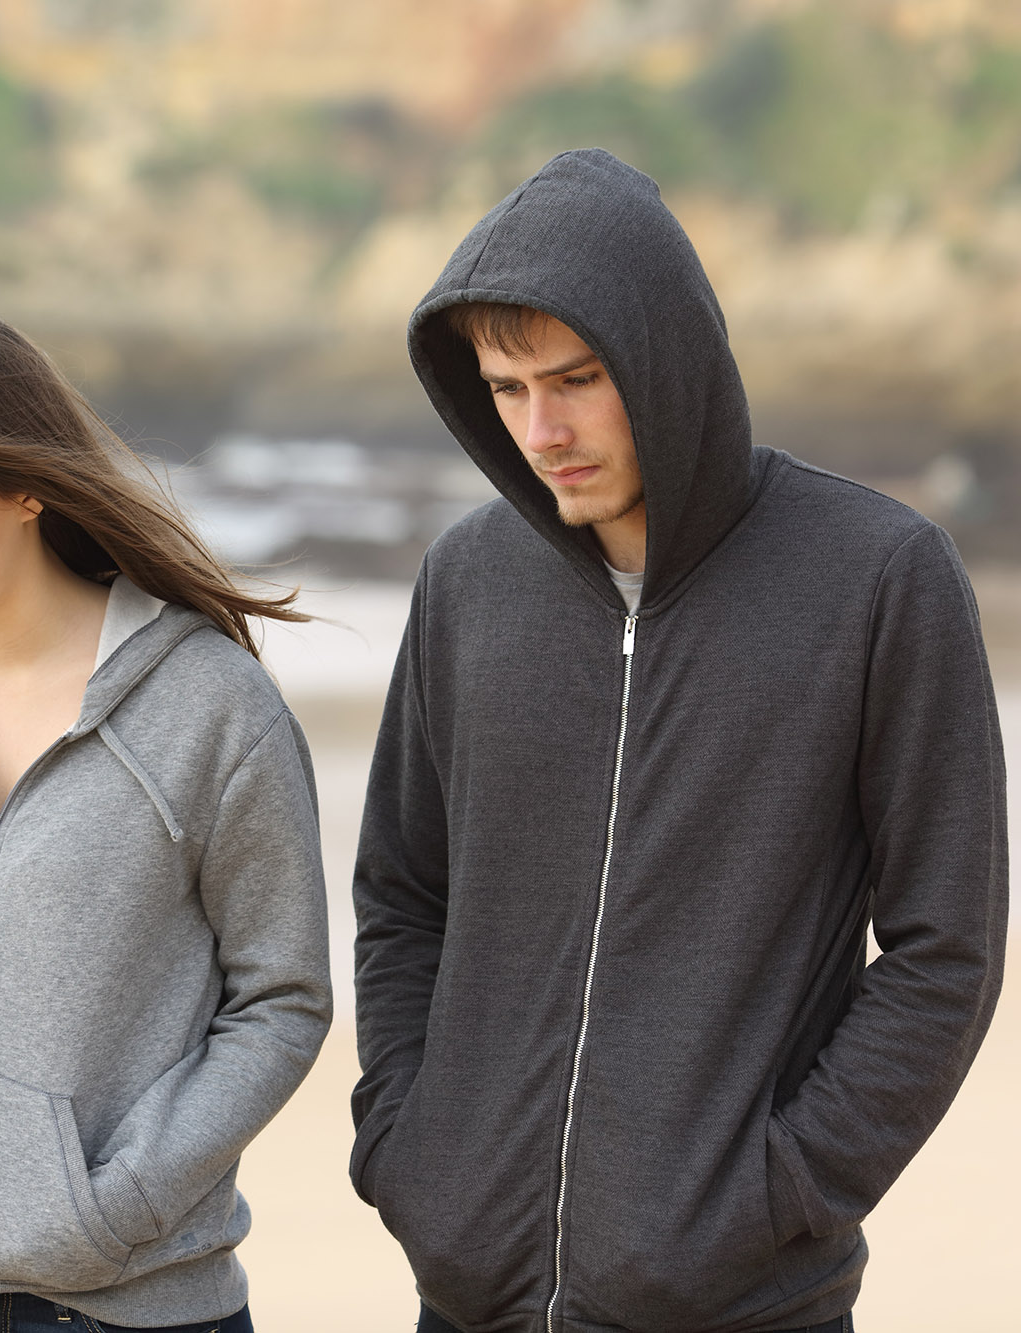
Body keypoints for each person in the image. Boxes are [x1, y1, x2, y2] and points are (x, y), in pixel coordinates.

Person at [350, 148, 1006, 1333]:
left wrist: (781, 1190)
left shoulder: (872, 578)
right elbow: (402, 894)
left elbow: (943, 943)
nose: (541, 429)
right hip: (467, 1296)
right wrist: (409, 1147)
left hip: (741, 1303)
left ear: (667, 358)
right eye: (503, 389)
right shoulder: (467, 583)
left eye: (577, 377)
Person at [0, 307, 334, 1333]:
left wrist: (116, 1202)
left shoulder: (207, 707)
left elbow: (280, 997)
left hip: (120, 1303)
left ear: (25, 486)